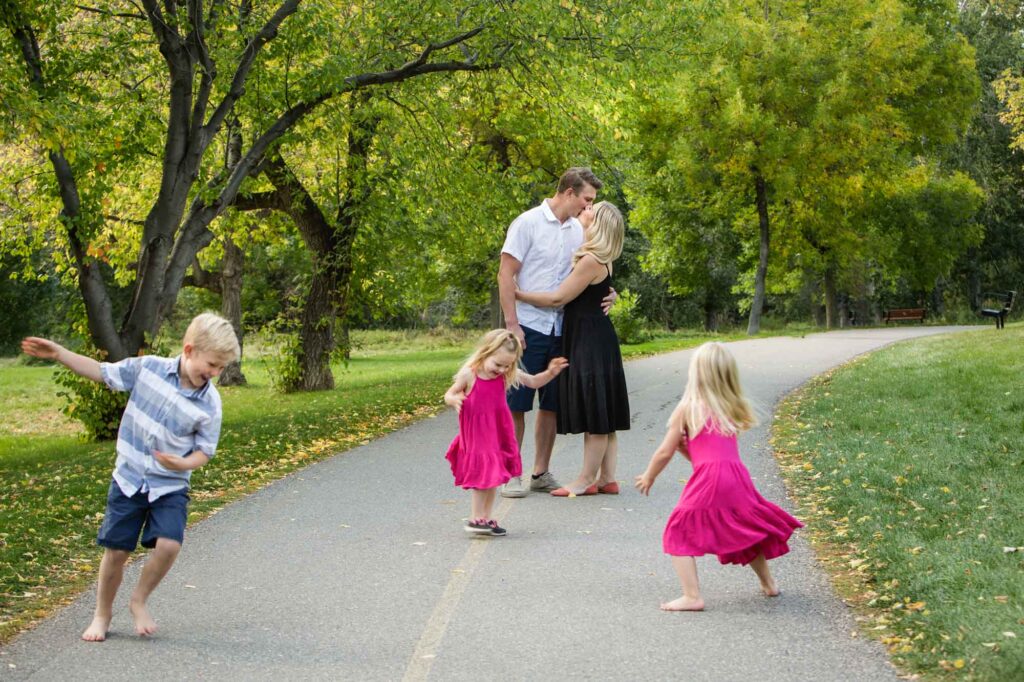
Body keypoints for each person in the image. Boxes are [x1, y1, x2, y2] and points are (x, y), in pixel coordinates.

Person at [20, 312, 240, 641]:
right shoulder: (147, 368)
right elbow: (102, 372)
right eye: (211, 365)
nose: (214, 374)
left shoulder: (210, 403)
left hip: (170, 487)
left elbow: (205, 451)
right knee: (116, 552)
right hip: (129, 479)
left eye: (221, 369)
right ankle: (102, 614)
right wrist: (60, 354)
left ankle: (139, 600)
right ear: (189, 349)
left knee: (169, 544)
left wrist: (183, 465)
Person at [634, 342, 803, 611]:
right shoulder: (730, 406)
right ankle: (769, 584)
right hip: (736, 477)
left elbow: (665, 451)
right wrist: (688, 452)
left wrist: (649, 475)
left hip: (711, 479)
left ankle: (692, 596)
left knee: (677, 531)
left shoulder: (687, 407)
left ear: (696, 373)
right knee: (744, 531)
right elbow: (712, 457)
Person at [498, 167, 614, 497]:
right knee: (517, 403)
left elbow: (595, 268)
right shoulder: (528, 223)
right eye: (586, 199)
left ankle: (540, 472)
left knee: (551, 404)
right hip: (528, 326)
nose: (589, 207)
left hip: (564, 329)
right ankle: (511, 473)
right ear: (568, 193)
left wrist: (610, 293)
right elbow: (506, 275)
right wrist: (512, 324)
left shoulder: (581, 231)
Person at [515, 201, 630, 497]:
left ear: (599, 224)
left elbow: (557, 298)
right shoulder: (603, 258)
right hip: (597, 336)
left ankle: (586, 479)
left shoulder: (591, 259)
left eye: (593, 208)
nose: (586, 208)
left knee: (595, 411)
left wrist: (517, 294)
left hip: (589, 340)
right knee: (604, 410)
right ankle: (608, 478)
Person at [444, 330, 567, 536]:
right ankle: (476, 517)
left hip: (497, 432)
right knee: (482, 475)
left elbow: (534, 382)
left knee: (493, 477)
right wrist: (454, 399)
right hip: (477, 434)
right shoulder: (470, 374)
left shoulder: (506, 375)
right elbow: (450, 393)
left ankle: (486, 517)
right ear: (485, 353)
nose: (501, 369)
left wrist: (551, 373)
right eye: (497, 364)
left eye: (507, 365)